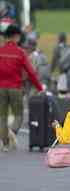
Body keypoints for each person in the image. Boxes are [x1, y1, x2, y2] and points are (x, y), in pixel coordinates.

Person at [0, 24, 43, 152]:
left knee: (2, 116)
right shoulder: (20, 53)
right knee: (18, 115)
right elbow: (30, 72)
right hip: (15, 88)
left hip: (1, 88)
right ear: (16, 36)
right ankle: (12, 131)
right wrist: (39, 87)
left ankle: (6, 144)